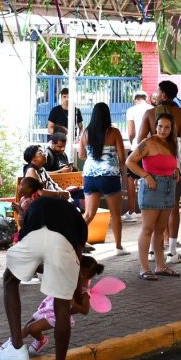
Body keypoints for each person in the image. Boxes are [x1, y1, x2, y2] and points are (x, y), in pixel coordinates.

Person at [0, 195, 94, 360]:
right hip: (64, 246)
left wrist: (42, 269)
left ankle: (17, 347)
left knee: (10, 280)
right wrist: (75, 290)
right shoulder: (74, 216)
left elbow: (28, 251)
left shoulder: (34, 210)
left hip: (34, 239)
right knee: (62, 305)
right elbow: (78, 253)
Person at [0, 255, 100, 356]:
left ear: (84, 275)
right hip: (49, 306)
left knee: (31, 328)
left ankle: (39, 340)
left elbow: (85, 310)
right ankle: (12, 342)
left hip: (57, 316)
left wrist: (73, 304)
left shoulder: (84, 293)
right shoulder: (72, 279)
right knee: (28, 324)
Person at [139, 81, 181, 263]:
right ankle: (171, 252)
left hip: (152, 165)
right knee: (173, 208)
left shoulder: (149, 114)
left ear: (163, 95)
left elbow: (139, 140)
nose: (154, 94)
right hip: (173, 166)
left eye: (157, 91)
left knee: (153, 209)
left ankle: (152, 252)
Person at [126, 113, 180, 280]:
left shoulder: (171, 144)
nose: (163, 130)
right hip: (152, 188)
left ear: (171, 129)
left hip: (169, 188)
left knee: (160, 230)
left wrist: (175, 171)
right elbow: (129, 161)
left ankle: (160, 266)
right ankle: (144, 268)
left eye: (167, 127)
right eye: (160, 126)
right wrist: (146, 176)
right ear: (155, 126)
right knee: (148, 228)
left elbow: (169, 164)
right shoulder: (148, 142)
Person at [79, 102, 127, 250]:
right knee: (116, 214)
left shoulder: (85, 133)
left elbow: (81, 155)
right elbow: (122, 157)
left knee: (89, 214)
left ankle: (76, 241)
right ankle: (118, 247)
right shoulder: (114, 132)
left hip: (90, 176)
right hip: (109, 176)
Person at [123, 91, 152, 222]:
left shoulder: (131, 110)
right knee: (151, 177)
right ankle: (151, 211)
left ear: (135, 99)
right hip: (152, 148)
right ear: (146, 99)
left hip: (137, 148)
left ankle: (132, 212)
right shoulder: (152, 109)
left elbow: (131, 132)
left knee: (131, 179)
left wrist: (132, 142)